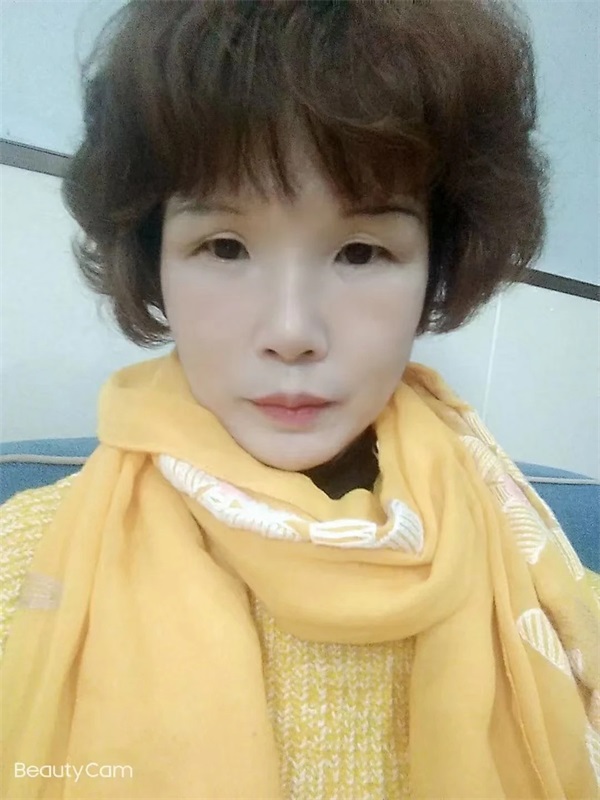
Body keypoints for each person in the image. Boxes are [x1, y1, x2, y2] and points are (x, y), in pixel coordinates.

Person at [1, 1, 598, 798]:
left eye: (361, 252)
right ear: (152, 257)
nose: (291, 332)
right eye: (224, 246)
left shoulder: (545, 579)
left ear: (439, 264)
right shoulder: (18, 565)